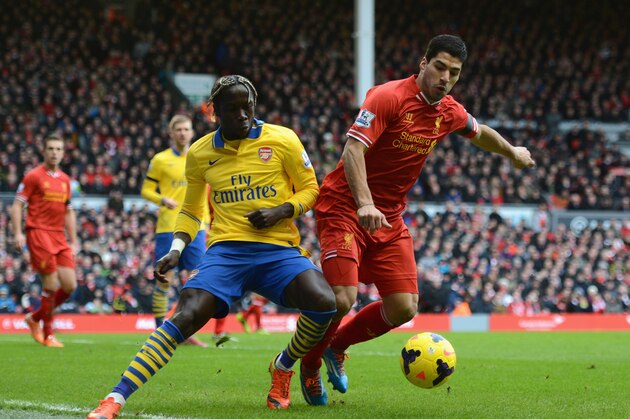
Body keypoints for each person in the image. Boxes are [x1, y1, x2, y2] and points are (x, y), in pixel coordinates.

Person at [299, 34, 536, 404]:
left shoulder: (448, 110)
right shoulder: (388, 97)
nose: (445, 77)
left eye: (454, 73)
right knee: (342, 298)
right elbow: (352, 150)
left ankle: (337, 347)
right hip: (345, 206)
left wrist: (512, 152)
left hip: (390, 216)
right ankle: (310, 367)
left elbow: (478, 132)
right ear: (423, 63)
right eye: (439, 67)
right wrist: (364, 203)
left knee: (404, 307)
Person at [87, 75, 336, 418]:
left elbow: (311, 188)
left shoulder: (283, 139)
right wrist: (176, 248)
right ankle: (115, 398)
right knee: (186, 313)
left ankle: (283, 365)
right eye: (232, 109)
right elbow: (191, 210)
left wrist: (281, 210)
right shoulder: (201, 152)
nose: (243, 115)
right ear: (213, 112)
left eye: (248, 107)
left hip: (277, 249)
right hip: (226, 252)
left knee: (325, 302)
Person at [141, 114, 211, 347]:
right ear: (171, 133)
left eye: (186, 129)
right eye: (178, 129)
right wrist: (162, 199)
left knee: (196, 280)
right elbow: (146, 190)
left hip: (197, 227)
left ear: (192, 132)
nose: (182, 133)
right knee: (165, 279)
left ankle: (184, 329)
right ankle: (160, 329)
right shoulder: (160, 160)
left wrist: (208, 222)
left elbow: (204, 193)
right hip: (168, 226)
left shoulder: (201, 157)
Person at [11, 134, 79, 348]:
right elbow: (17, 205)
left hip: (59, 236)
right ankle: (48, 334)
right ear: (44, 150)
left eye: (58, 149)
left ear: (63, 152)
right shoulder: (33, 176)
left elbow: (68, 211)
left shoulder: (65, 180)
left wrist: (74, 239)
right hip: (38, 232)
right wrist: (18, 233)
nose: (54, 152)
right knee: (50, 284)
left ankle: (34, 318)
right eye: (50, 148)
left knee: (69, 285)